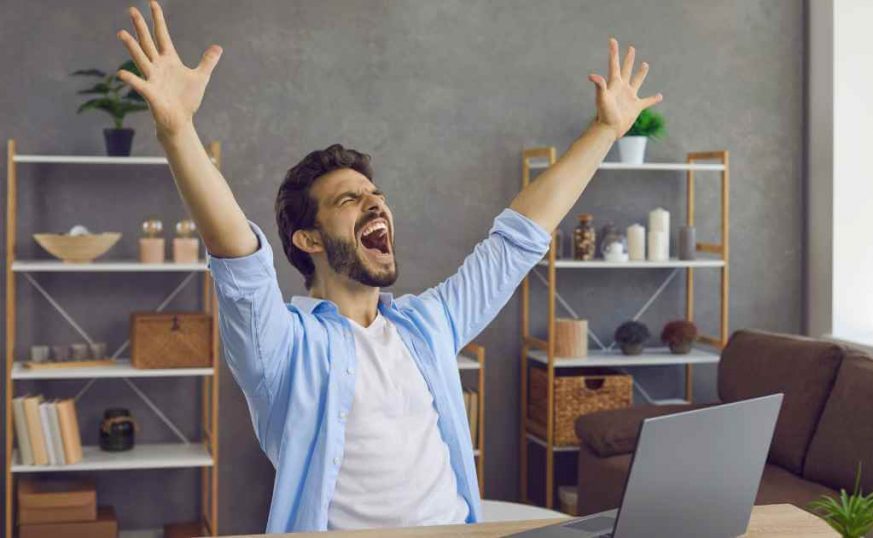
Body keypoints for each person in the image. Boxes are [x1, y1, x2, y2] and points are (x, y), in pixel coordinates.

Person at [114, 1, 663, 533]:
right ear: (309, 239)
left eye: (376, 195)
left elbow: (516, 240)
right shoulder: (283, 348)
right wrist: (178, 131)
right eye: (349, 200)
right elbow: (239, 262)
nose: (376, 204)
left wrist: (606, 131)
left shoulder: (428, 326)